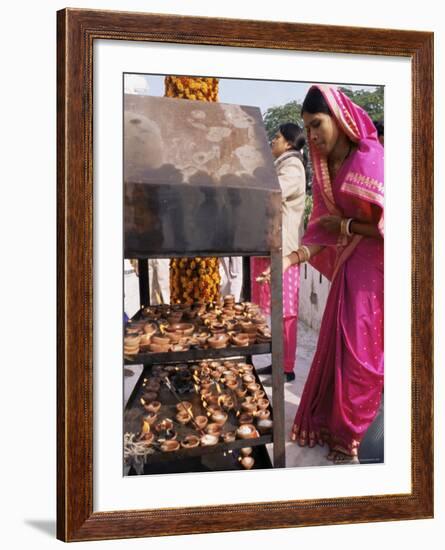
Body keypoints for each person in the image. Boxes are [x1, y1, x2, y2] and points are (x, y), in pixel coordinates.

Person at [285, 85, 384, 463]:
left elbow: (395, 225)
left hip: (374, 267)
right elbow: (323, 230)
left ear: (340, 120)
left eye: (316, 125)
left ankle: (353, 437)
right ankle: (334, 426)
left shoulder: (370, 158)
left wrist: (344, 226)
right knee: (339, 348)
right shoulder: (327, 168)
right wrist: (292, 259)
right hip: (349, 266)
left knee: (360, 353)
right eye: (307, 128)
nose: (311, 135)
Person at [252, 123, 307, 383]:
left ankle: (286, 368)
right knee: (274, 311)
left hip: (285, 253)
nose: (273, 141)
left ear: (288, 143)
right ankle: (278, 364)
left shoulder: (292, 167)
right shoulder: (282, 165)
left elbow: (273, 193)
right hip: (273, 247)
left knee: (285, 312)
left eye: (276, 137)